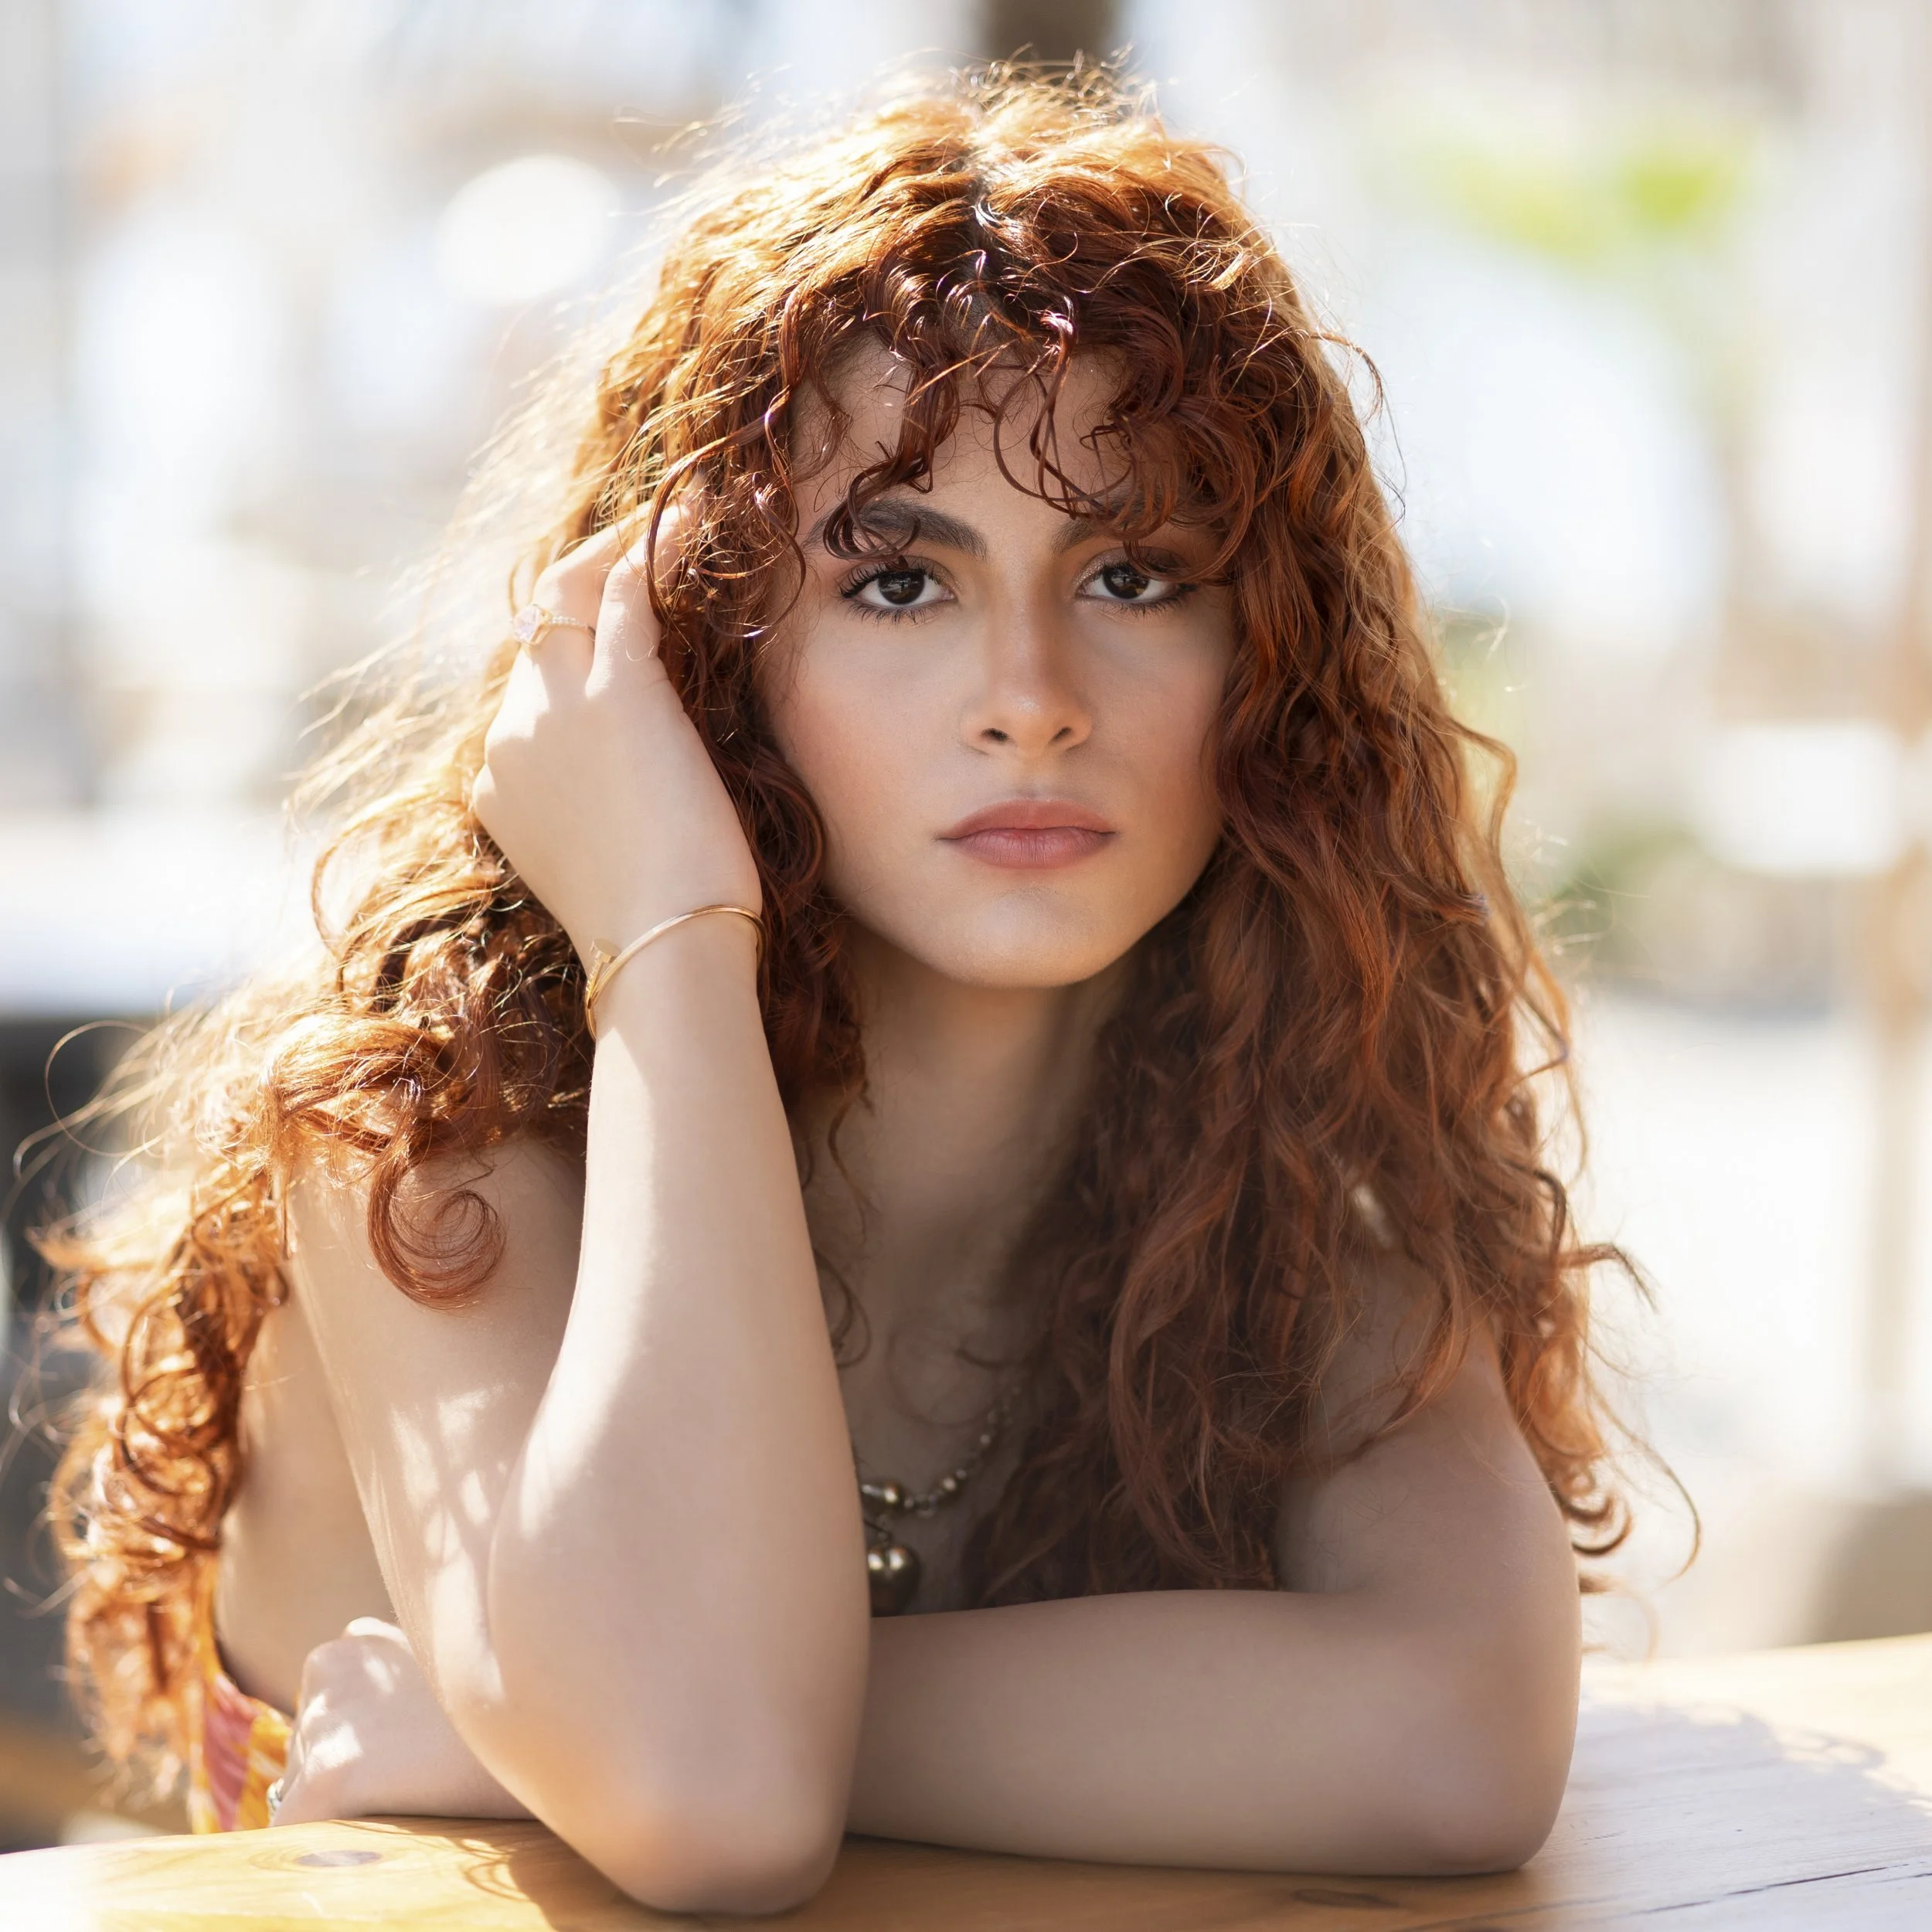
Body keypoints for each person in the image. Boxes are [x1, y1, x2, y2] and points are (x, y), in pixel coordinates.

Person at [45, 66, 1631, 1916]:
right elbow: (716, 1799)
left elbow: (1456, 1739)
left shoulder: (1266, 1186)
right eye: (897, 582)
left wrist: (581, 1726)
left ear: (1265, 671)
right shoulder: (434, 1154)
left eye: (1131, 572)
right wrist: (663, 930)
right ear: (696, 642)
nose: (1029, 691)